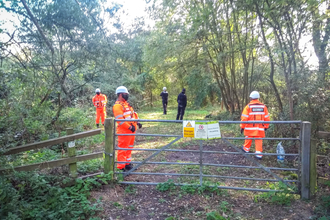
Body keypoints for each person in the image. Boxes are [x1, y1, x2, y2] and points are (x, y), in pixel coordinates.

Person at [112, 86, 142, 171]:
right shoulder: (117, 106)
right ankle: (121, 167)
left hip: (131, 130)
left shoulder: (126, 104)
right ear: (120, 95)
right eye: (125, 94)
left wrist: (137, 122)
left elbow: (132, 114)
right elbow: (120, 120)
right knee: (123, 149)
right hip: (124, 131)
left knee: (129, 148)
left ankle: (127, 164)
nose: (127, 95)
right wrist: (129, 127)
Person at [240, 91, 270, 160]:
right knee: (259, 140)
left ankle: (246, 149)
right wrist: (266, 126)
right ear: (258, 98)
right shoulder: (263, 107)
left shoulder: (248, 107)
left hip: (249, 128)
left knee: (248, 137)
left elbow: (244, 118)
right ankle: (259, 154)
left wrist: (242, 127)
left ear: (251, 98)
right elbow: (267, 118)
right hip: (260, 128)